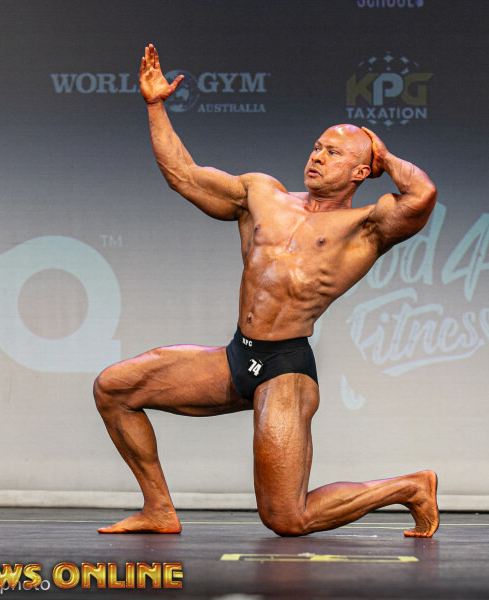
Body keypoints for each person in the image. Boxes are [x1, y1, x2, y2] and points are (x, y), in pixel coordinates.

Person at [93, 44, 439, 537]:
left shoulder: (365, 226)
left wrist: (382, 154)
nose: (317, 156)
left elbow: (422, 195)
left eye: (334, 153)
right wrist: (155, 106)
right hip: (238, 355)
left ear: (362, 172)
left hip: (284, 369)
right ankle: (159, 509)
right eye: (317, 147)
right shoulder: (262, 195)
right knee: (114, 388)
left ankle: (411, 487)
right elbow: (184, 176)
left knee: (287, 517)